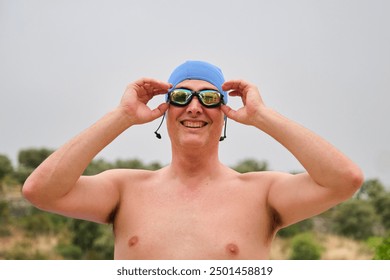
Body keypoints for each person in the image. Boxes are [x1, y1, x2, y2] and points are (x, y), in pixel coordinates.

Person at [22, 60, 364, 259]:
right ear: (165, 109)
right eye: (182, 96)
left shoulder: (262, 193)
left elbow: (345, 179)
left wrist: (263, 116)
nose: (195, 107)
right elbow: (40, 191)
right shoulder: (124, 189)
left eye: (210, 98)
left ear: (226, 112)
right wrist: (122, 115)